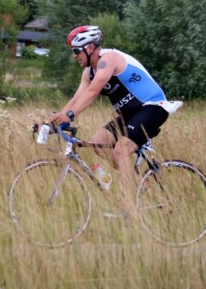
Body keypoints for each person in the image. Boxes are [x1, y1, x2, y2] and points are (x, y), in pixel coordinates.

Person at [49, 25, 172, 215]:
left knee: (121, 149)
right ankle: (138, 182)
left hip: (153, 107)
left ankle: (129, 208)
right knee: (98, 143)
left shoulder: (109, 59)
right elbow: (76, 99)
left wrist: (70, 115)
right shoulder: (88, 73)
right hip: (131, 115)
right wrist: (55, 122)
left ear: (90, 48)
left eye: (76, 51)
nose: (74, 56)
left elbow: (93, 91)